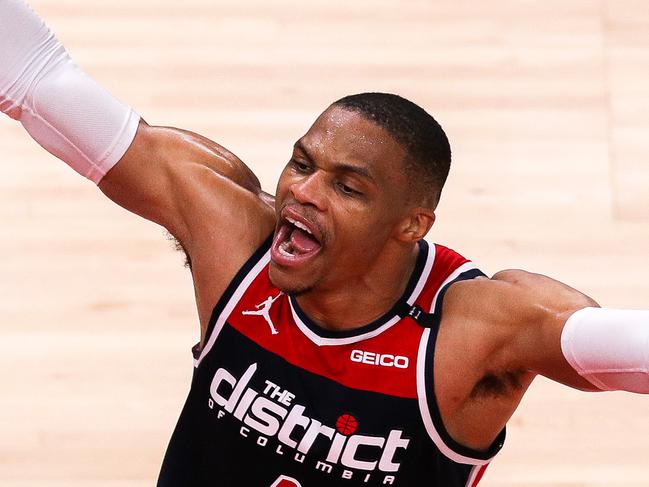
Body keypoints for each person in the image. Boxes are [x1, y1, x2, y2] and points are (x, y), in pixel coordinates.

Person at [1, 0, 648, 485]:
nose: (304, 192)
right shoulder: (235, 243)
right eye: (302, 163)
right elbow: (39, 81)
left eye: (348, 187)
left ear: (412, 224)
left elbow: (614, 345)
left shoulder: (467, 331)